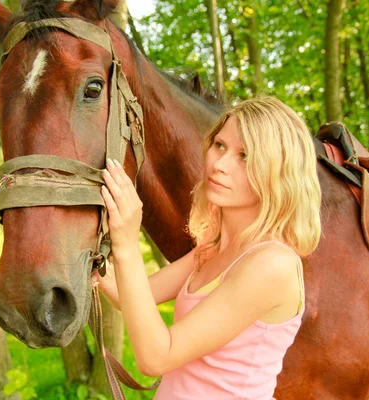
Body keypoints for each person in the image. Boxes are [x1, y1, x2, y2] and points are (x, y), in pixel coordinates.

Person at [93, 96, 321, 400]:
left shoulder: (271, 265)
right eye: (220, 145)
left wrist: (127, 245)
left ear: (278, 173)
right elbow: (129, 295)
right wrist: (90, 261)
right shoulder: (212, 249)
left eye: (245, 156)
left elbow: (157, 357)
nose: (220, 165)